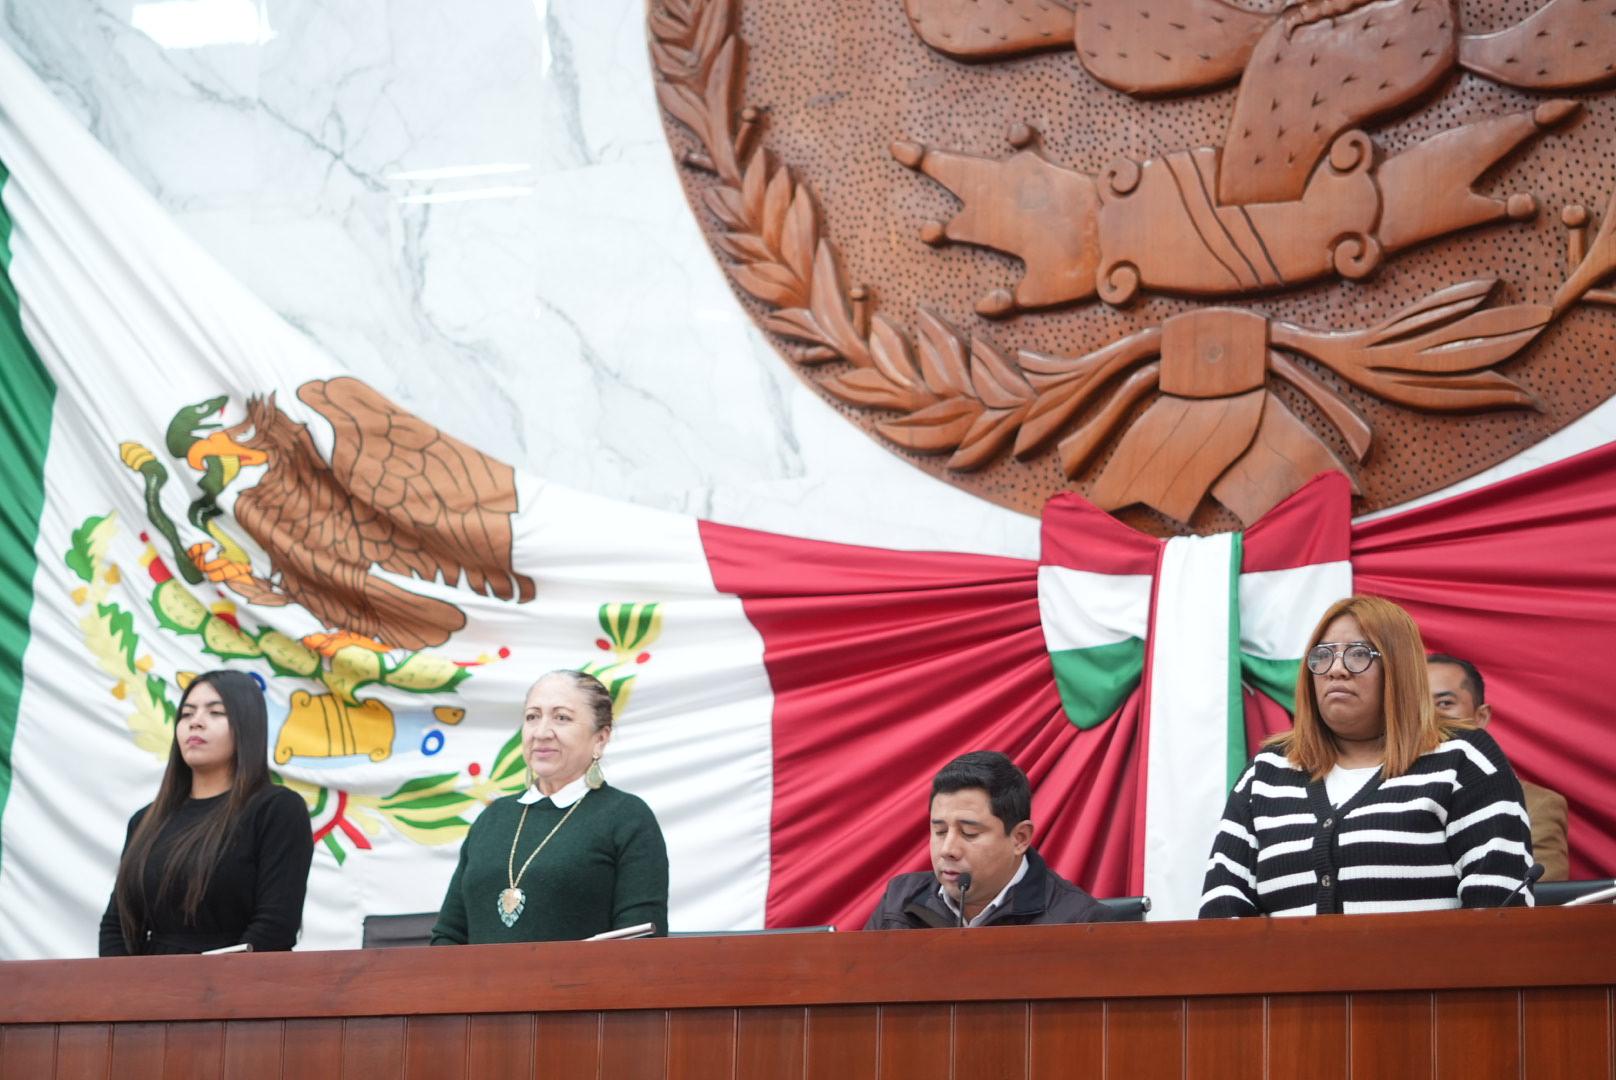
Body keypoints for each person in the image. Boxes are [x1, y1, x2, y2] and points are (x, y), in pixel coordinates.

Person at [1200, 595, 1535, 918]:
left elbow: (1498, 912)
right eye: (1323, 655)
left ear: (1399, 667)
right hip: (1286, 978)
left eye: (1358, 654)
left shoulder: (1461, 758)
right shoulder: (1266, 774)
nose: (1336, 670)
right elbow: (1221, 911)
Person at [432, 670, 668, 944]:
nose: (542, 733)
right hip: (479, 988)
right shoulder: (492, 818)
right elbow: (447, 936)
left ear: (600, 738)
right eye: (532, 717)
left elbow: (639, 943)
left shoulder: (627, 818)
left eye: (562, 718)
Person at [99, 670, 314, 955]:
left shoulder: (276, 809)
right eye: (187, 714)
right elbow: (118, 924)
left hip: (237, 989)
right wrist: (128, 994)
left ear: (246, 725)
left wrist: (207, 988)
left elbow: (275, 928)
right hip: (149, 990)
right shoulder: (145, 820)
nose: (196, 723)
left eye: (215, 713)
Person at [864, 751, 1115, 929]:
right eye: (940, 831)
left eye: (969, 833)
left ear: (1020, 838)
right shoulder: (900, 902)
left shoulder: (1078, 922)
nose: (948, 850)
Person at [1428, 653, 1570, 881]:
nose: (1428, 717)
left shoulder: (1537, 805)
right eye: (1415, 705)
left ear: (1480, 717)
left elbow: (1543, 901)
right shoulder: (1374, 794)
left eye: (1445, 704)